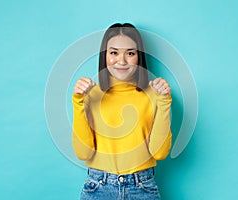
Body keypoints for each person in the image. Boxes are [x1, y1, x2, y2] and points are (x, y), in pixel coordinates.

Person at [72, 23, 172, 200]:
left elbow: (159, 153)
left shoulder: (154, 95)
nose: (122, 60)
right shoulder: (91, 94)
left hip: (142, 187)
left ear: (138, 57)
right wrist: (78, 102)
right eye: (114, 53)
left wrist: (164, 102)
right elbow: (83, 153)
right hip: (98, 187)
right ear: (105, 56)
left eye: (130, 53)